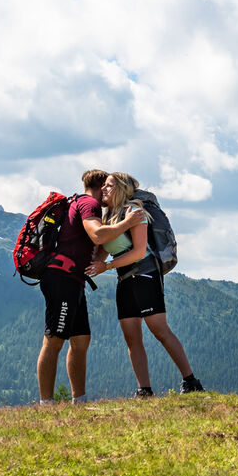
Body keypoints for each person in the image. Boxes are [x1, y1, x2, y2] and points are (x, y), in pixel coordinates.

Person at [87, 172, 203, 397]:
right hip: (125, 279)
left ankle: (191, 381)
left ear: (121, 188)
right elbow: (99, 255)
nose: (104, 190)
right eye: (103, 187)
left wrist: (107, 268)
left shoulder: (134, 211)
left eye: (109, 186)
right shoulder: (110, 217)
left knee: (159, 330)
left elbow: (139, 252)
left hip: (145, 276)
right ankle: (144, 390)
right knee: (132, 337)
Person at [36, 168, 145, 404]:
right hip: (63, 278)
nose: (108, 191)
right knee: (54, 339)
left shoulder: (77, 201)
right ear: (99, 186)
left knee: (81, 339)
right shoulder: (89, 204)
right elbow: (97, 235)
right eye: (106, 186)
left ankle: (80, 400)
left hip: (71, 279)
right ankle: (46, 404)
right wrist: (128, 223)